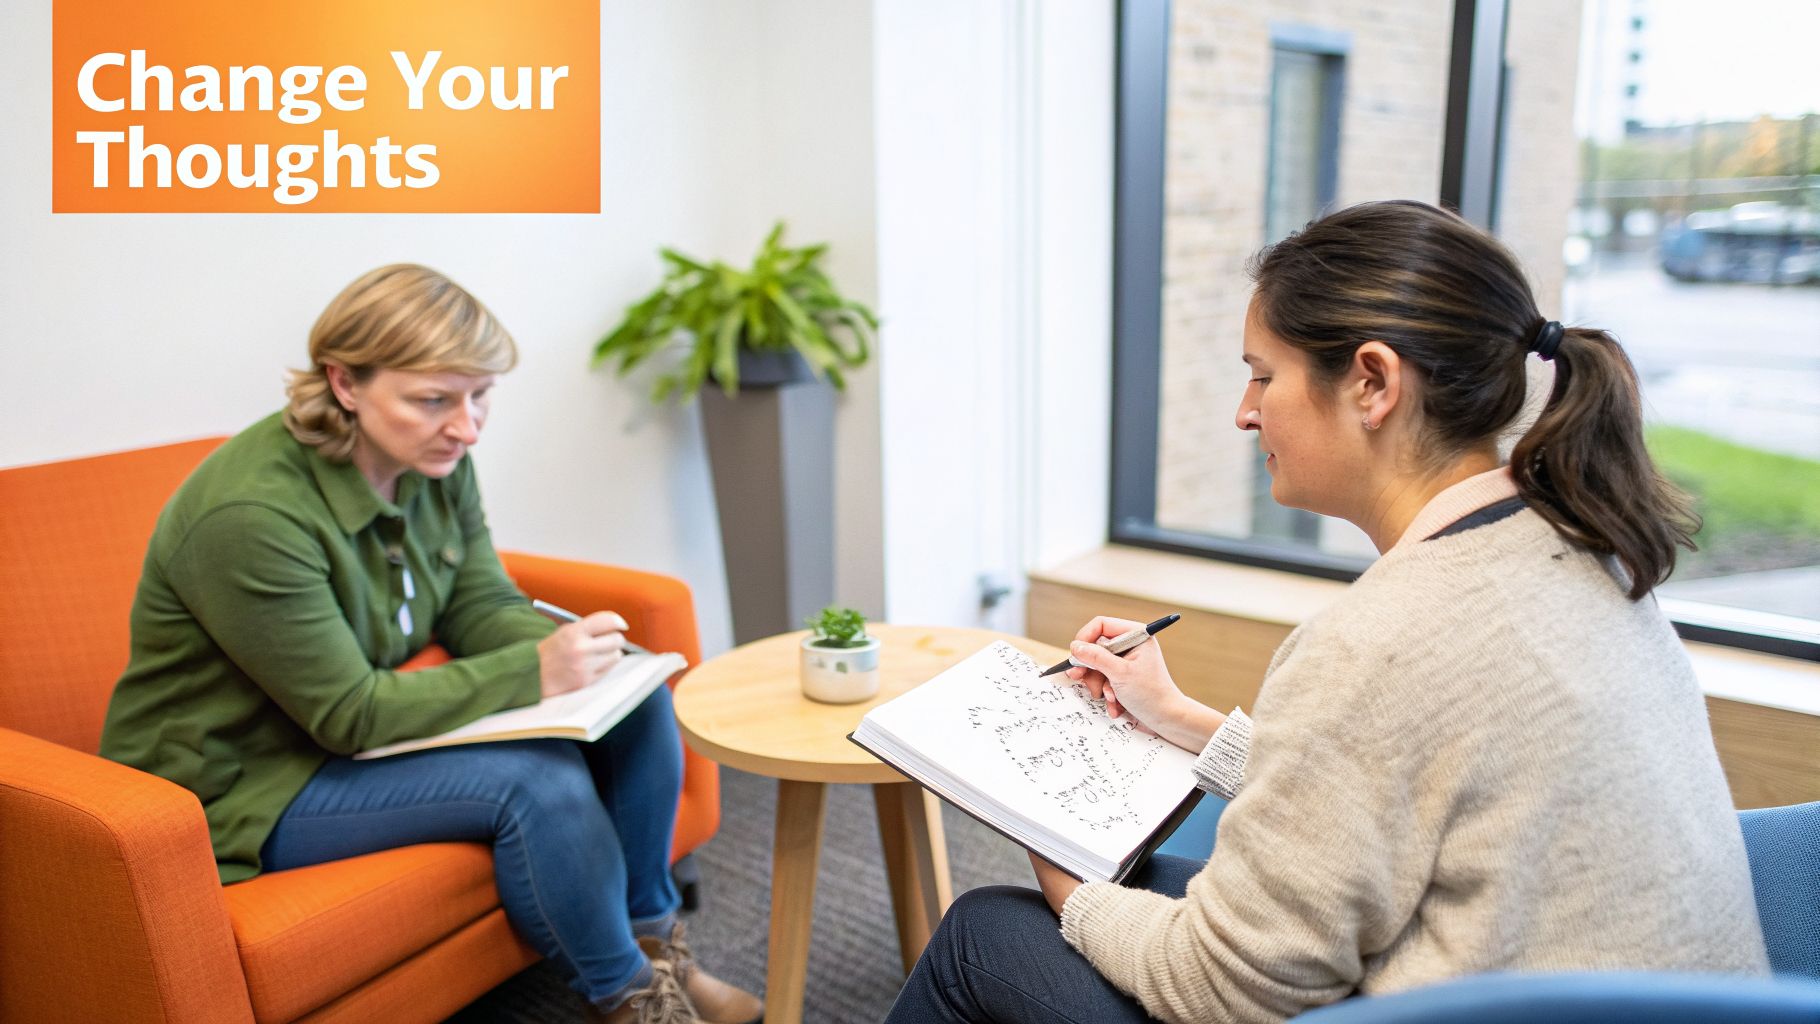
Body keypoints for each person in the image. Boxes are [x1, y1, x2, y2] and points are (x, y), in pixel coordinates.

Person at [886, 200, 1769, 1024]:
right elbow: (1398, 783)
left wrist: (1069, 881)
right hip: (1632, 989)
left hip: (1488, 998)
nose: (1243, 413)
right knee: (1154, 875)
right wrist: (1180, 719)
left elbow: (1223, 986)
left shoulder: (1378, 640)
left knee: (985, 934)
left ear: (1373, 383)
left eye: (1262, 376)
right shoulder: (1581, 544)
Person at [99, 264, 760, 1024]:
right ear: (345, 383)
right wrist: (533, 669)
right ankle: (630, 999)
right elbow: (349, 712)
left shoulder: (432, 459)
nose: (467, 426)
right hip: (246, 782)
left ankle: (657, 948)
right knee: (536, 783)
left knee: (638, 708)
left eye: (481, 397)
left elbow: (476, 600)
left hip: (343, 742)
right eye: (434, 400)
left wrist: (574, 657)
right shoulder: (250, 516)